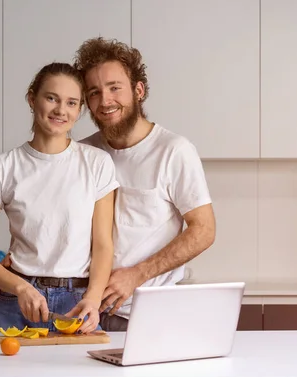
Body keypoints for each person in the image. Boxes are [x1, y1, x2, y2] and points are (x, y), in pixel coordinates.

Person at [72, 37, 217, 331]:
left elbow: (204, 230)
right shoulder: (81, 153)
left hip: (148, 316)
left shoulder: (173, 151)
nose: (106, 100)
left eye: (115, 88)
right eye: (95, 92)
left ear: (138, 90)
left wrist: (138, 273)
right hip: (83, 312)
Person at [0, 62, 118, 334]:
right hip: (16, 299)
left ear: (80, 109)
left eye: (72, 103)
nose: (61, 110)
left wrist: (93, 299)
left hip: (76, 304)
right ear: (31, 98)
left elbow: (103, 245)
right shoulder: (2, 166)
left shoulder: (97, 163)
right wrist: (19, 286)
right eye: (51, 98)